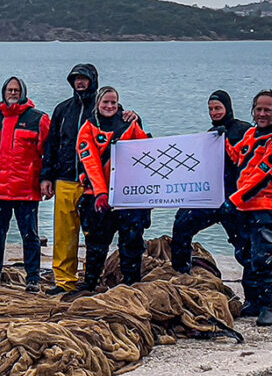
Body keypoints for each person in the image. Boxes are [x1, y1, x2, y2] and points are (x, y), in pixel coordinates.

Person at [40, 64, 139, 295]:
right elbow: (51, 144)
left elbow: (131, 138)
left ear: (93, 80)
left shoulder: (109, 109)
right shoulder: (63, 110)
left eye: (84, 79)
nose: (80, 83)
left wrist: (137, 118)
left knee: (94, 235)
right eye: (76, 79)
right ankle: (65, 281)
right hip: (65, 178)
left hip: (96, 185)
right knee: (64, 234)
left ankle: (90, 277)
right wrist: (46, 176)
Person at [0, 76, 50, 292]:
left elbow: (49, 152)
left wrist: (46, 178)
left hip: (26, 189)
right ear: (3, 92)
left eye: (16, 90)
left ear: (23, 92)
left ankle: (33, 278)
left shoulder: (39, 119)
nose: (13, 93)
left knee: (30, 235)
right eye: (9, 89)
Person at [76, 86, 151, 291]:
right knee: (96, 245)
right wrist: (101, 192)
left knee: (131, 243)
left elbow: (145, 150)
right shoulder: (88, 127)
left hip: (127, 196)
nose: (109, 106)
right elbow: (89, 162)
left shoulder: (129, 124)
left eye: (113, 102)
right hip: (97, 196)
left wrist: (139, 121)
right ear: (98, 104)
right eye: (105, 102)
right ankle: (91, 282)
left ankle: (131, 284)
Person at [171, 90, 252, 274]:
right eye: (210, 109)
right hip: (211, 196)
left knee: (244, 248)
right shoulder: (210, 134)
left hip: (234, 200)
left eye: (218, 108)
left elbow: (245, 163)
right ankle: (181, 273)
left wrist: (226, 142)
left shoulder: (244, 130)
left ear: (228, 108)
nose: (214, 112)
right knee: (181, 225)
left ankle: (257, 290)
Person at [225, 89, 272, 325]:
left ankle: (269, 305)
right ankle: (253, 300)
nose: (262, 114)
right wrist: (221, 139)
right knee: (246, 256)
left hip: (264, 206)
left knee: (264, 257)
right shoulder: (252, 134)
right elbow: (238, 158)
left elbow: (261, 177)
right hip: (244, 207)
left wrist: (233, 200)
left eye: (267, 110)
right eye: (259, 109)